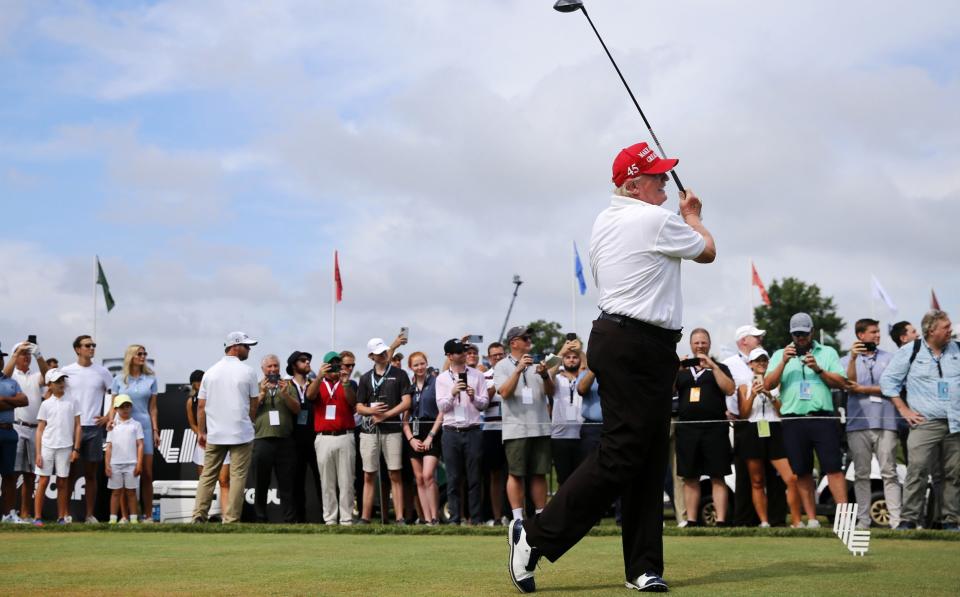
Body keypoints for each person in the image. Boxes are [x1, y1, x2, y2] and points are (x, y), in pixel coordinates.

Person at [509, 141, 716, 593]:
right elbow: (707, 250)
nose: (665, 182)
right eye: (657, 176)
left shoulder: (605, 220)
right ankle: (536, 536)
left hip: (633, 342)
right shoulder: (655, 219)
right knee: (624, 453)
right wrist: (694, 213)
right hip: (634, 344)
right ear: (633, 185)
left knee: (646, 457)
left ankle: (643, 566)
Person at [764, 313, 848, 528]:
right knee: (801, 471)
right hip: (793, 420)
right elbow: (768, 385)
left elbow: (841, 382)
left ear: (812, 331)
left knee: (833, 469)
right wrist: (783, 362)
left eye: (804, 333)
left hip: (822, 417)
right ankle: (811, 519)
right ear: (791, 334)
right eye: (796, 334)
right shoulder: (779, 354)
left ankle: (844, 519)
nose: (800, 338)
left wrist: (818, 369)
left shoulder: (827, 352)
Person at [880, 309, 960, 530]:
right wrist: (904, 410)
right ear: (931, 330)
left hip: (955, 423)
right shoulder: (911, 350)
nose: (950, 330)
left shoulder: (958, 349)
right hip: (924, 423)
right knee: (917, 470)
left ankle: (950, 521)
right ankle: (909, 519)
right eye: (946, 327)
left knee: (953, 474)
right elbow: (888, 382)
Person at [192, 331, 260, 524]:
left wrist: (202, 431)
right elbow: (254, 403)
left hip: (216, 433)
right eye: (247, 346)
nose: (249, 350)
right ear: (235, 346)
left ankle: (198, 516)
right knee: (237, 477)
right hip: (241, 433)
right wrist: (250, 422)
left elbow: (202, 406)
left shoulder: (210, 372)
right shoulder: (248, 371)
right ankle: (231, 519)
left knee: (208, 475)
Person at [722, 325, 785, 527]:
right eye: (756, 337)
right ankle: (748, 519)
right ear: (744, 341)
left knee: (777, 478)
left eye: (764, 360)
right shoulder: (729, 363)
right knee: (749, 478)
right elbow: (732, 398)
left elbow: (779, 403)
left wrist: (766, 393)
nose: (760, 340)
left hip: (771, 424)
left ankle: (776, 519)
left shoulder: (771, 370)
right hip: (744, 425)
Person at [841, 318, 900, 529]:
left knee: (889, 472)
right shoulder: (847, 359)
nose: (877, 335)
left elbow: (892, 387)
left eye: (878, 332)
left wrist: (864, 390)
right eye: (873, 332)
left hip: (886, 422)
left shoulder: (891, 358)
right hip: (858, 424)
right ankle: (863, 520)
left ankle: (896, 521)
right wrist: (852, 359)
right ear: (860, 335)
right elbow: (847, 384)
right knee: (861, 474)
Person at [675, 328, 735, 527]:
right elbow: (666, 390)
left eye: (703, 342)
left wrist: (713, 367)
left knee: (717, 475)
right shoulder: (682, 371)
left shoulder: (721, 367)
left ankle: (721, 520)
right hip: (687, 429)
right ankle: (691, 520)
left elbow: (729, 389)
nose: (700, 346)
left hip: (714, 429)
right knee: (690, 476)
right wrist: (675, 368)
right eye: (696, 343)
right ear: (691, 345)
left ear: (709, 344)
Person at [495, 326, 554, 526]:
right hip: (516, 428)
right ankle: (518, 517)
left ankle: (540, 515)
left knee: (539, 472)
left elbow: (551, 393)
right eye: (525, 338)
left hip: (540, 426)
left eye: (529, 337)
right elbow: (503, 392)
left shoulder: (538, 363)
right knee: (516, 473)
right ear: (513, 343)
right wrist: (518, 369)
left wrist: (545, 375)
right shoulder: (502, 365)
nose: (529, 340)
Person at [737, 348, 802, 528]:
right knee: (757, 480)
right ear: (750, 364)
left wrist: (768, 394)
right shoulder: (744, 386)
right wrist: (754, 394)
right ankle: (764, 521)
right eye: (757, 360)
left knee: (791, 478)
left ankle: (796, 521)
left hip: (773, 429)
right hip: (753, 429)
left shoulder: (777, 384)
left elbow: (783, 412)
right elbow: (743, 414)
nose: (761, 363)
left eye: (764, 360)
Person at [355, 337, 412, 524]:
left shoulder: (400, 374)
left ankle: (399, 517)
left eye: (385, 351)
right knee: (368, 474)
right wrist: (371, 411)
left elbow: (406, 402)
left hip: (392, 430)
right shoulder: (364, 378)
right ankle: (365, 517)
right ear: (371, 356)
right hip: (369, 431)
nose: (384, 354)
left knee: (395, 473)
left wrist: (386, 415)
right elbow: (359, 407)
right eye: (379, 353)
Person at [436, 339, 488, 526]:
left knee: (474, 478)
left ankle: (476, 518)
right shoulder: (442, 379)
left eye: (464, 351)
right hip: (451, 432)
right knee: (453, 478)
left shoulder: (477, 375)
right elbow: (442, 406)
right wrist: (452, 392)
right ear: (450, 356)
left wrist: (474, 397)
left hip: (473, 430)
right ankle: (455, 518)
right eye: (459, 352)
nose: (464, 354)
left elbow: (484, 404)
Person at [61, 335, 113, 523]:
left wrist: (108, 416)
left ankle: (90, 515)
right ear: (77, 349)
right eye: (87, 345)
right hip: (72, 427)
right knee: (69, 473)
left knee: (91, 474)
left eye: (93, 345)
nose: (91, 348)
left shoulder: (102, 371)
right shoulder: (66, 371)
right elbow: (54, 390)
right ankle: (64, 515)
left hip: (93, 429)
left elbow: (115, 393)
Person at [109, 345, 159, 522]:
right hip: (121, 428)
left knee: (146, 472)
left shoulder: (150, 379)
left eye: (145, 353)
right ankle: (124, 516)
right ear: (131, 356)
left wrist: (155, 430)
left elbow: (153, 408)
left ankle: (147, 515)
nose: (143, 356)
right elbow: (112, 406)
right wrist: (110, 421)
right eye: (140, 353)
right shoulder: (118, 379)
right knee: (122, 472)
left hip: (143, 427)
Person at [309, 351, 357, 526]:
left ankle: (346, 518)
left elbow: (353, 403)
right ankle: (329, 518)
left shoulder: (350, 383)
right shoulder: (318, 383)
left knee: (346, 481)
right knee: (327, 481)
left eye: (338, 364)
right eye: (331, 365)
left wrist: (344, 383)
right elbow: (309, 396)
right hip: (324, 437)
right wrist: (319, 376)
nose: (335, 368)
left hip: (345, 435)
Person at [3, 341, 48, 522]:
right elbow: (3, 375)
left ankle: (25, 513)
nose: (26, 357)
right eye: (23, 354)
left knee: (30, 475)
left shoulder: (35, 375)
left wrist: (39, 355)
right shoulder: (11, 375)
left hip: (34, 429)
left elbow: (48, 376)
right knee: (13, 474)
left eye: (28, 354)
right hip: (17, 426)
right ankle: (10, 512)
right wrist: (15, 353)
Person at [252, 354, 300, 523]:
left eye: (276, 366)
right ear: (263, 369)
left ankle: (289, 519)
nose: (273, 369)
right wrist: (262, 394)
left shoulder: (287, 386)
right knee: (261, 483)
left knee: (287, 484)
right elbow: (249, 412)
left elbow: (296, 410)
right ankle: (260, 518)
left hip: (284, 440)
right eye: (269, 366)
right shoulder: (256, 387)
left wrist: (285, 394)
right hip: (262, 440)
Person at [33, 369, 80, 526]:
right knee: (43, 480)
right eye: (57, 381)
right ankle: (37, 518)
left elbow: (78, 426)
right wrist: (38, 453)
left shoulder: (73, 401)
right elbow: (40, 429)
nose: (61, 383)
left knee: (62, 482)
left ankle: (61, 517)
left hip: (66, 447)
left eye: (62, 380)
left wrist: (76, 449)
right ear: (49, 385)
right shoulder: (46, 404)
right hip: (47, 446)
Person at [402, 351, 442, 525]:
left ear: (427, 363)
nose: (419, 367)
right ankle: (426, 519)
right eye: (415, 365)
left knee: (428, 476)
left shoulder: (435, 383)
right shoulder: (409, 389)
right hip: (414, 433)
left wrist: (431, 436)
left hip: (431, 431)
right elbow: (404, 420)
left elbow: (442, 412)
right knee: (418, 478)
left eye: (422, 363)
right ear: (411, 367)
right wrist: (411, 439)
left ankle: (435, 517)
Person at [284, 351, 323, 523]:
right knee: (296, 482)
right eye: (302, 360)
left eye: (309, 359)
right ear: (294, 365)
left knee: (322, 479)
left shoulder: (315, 384)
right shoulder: (286, 385)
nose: (307, 362)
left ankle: (326, 518)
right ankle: (299, 520)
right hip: (293, 440)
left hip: (315, 438)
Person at [186, 369, 230, 509]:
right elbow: (192, 423)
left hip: (221, 440)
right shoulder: (190, 401)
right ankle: (203, 515)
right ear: (193, 385)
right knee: (205, 481)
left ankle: (227, 518)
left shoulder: (218, 397)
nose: (199, 384)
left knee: (223, 480)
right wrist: (200, 435)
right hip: (203, 444)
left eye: (201, 381)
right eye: (196, 382)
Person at [549, 344, 585, 487]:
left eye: (575, 357)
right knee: (563, 479)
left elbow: (589, 365)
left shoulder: (584, 378)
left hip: (582, 435)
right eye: (568, 357)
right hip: (560, 436)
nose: (571, 360)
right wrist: (562, 351)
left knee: (582, 479)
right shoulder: (557, 379)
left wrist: (580, 350)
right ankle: (564, 508)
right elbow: (548, 372)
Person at [0, 343, 29, 523]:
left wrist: (3, 399)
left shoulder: (11, 381)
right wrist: (12, 402)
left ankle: (8, 514)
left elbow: (24, 400)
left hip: (9, 432)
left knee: (9, 475)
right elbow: (17, 401)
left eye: (1, 358)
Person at [105, 395, 144, 524]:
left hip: (131, 464)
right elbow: (109, 447)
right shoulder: (112, 426)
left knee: (131, 492)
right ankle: (112, 519)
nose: (125, 409)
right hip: (115, 464)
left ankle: (133, 519)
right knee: (116, 492)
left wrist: (139, 464)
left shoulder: (136, 425)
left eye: (127, 406)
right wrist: (107, 465)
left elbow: (140, 445)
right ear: (115, 409)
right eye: (122, 407)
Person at [482, 342, 508, 526]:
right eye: (494, 355)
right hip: (491, 430)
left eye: (500, 354)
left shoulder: (514, 373)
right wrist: (494, 386)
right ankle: (497, 516)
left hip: (512, 428)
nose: (498, 358)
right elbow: (481, 404)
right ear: (489, 358)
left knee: (514, 474)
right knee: (495, 475)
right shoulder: (483, 377)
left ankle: (513, 515)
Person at [889, 320, 920, 464]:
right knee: (914, 464)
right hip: (908, 422)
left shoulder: (922, 356)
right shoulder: (898, 360)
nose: (918, 334)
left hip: (928, 419)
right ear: (903, 338)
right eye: (914, 332)